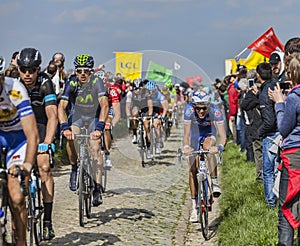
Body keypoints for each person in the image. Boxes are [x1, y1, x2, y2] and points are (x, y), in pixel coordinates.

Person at [17, 47, 58, 240]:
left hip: (42, 126)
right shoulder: (14, 86)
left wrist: (47, 142)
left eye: (32, 70)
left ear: (38, 69)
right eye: (24, 69)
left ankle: (47, 221)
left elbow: (52, 115)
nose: (27, 74)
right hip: (22, 128)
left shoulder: (45, 83)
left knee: (44, 167)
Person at [58, 54, 109, 206]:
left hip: (94, 116)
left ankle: (97, 187)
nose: (82, 74)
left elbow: (105, 105)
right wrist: (64, 126)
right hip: (78, 116)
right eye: (79, 70)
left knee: (95, 146)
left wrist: (99, 127)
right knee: (71, 137)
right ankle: (74, 168)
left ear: (91, 72)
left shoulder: (97, 82)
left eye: (85, 71)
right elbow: (62, 106)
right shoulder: (72, 82)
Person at [0, 56, 39, 245]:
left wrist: (28, 165)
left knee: (16, 196)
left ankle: (22, 241)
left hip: (18, 139)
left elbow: (32, 134)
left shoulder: (15, 89)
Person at [269, 52, 300, 246]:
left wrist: (280, 103)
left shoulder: (294, 98)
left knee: (287, 205)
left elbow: (284, 128)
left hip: (294, 155)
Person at [182, 89, 226, 222]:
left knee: (208, 148)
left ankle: (214, 181)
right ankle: (194, 207)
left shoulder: (215, 110)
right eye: (198, 108)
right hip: (194, 136)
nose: (201, 111)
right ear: (194, 106)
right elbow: (186, 135)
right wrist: (186, 147)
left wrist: (219, 147)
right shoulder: (188, 111)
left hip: (208, 134)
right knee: (192, 170)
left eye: (204, 108)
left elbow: (223, 135)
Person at [256, 62, 280, 209]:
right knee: (278, 170)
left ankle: (271, 203)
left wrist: (259, 133)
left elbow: (269, 121)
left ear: (258, 76)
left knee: (269, 171)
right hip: (281, 132)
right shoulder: (276, 86)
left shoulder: (265, 93)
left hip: (271, 135)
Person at [126, 78, 154, 159]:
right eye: (136, 89)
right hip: (136, 107)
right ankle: (134, 133)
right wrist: (128, 115)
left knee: (147, 127)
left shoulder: (147, 93)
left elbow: (150, 105)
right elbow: (127, 106)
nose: (138, 91)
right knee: (134, 113)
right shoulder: (130, 94)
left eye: (139, 89)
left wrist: (150, 115)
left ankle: (148, 149)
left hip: (145, 108)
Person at [146, 80, 169, 154]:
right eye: (149, 91)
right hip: (147, 111)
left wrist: (162, 116)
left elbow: (165, 108)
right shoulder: (145, 95)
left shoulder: (159, 95)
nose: (150, 93)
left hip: (156, 111)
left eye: (152, 91)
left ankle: (158, 143)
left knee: (156, 125)